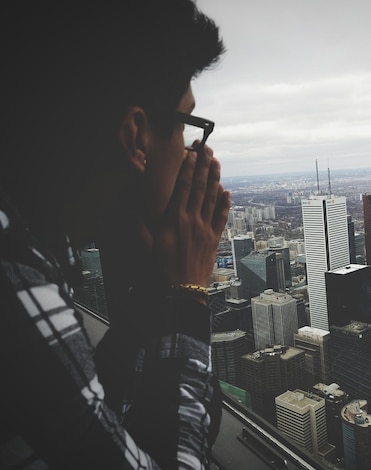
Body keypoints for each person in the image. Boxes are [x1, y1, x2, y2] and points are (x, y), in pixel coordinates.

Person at [1, 0, 231, 467]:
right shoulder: (15, 277)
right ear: (136, 137)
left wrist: (156, 294)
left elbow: (98, 416)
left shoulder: (36, 242)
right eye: (188, 127)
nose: (193, 155)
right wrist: (187, 294)